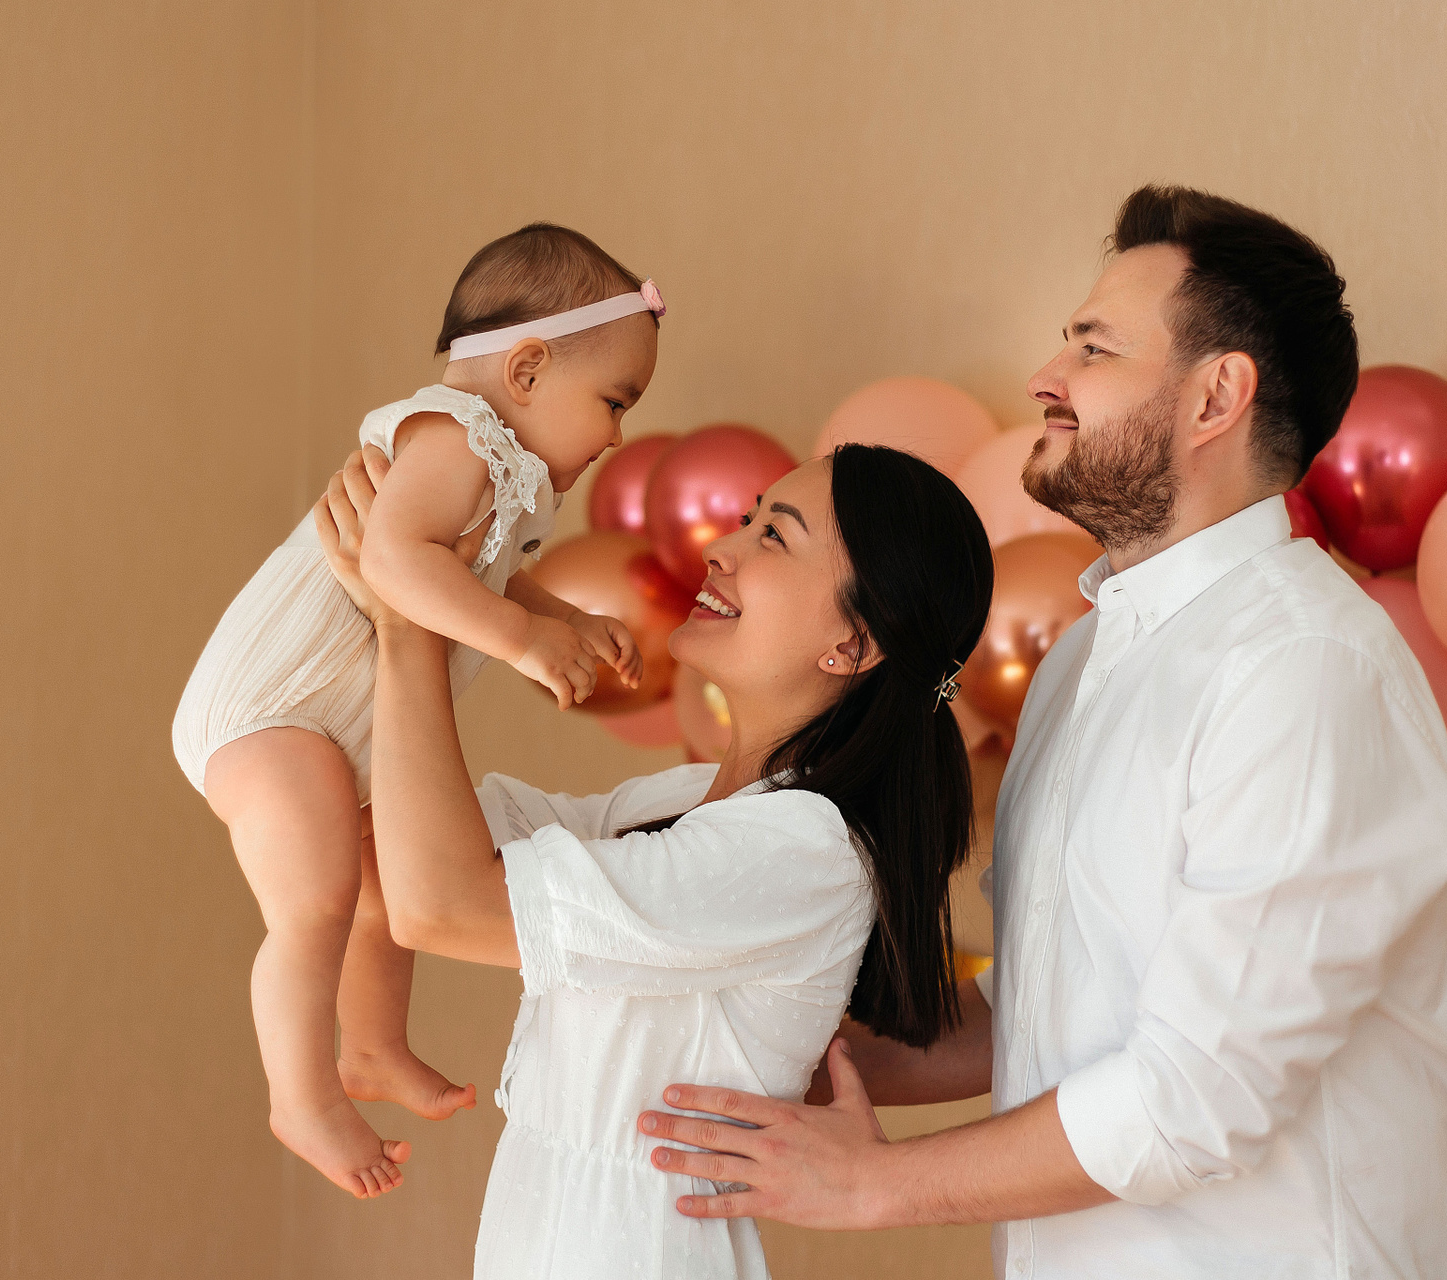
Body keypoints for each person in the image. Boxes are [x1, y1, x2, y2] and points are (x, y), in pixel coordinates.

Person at [637, 186, 1447, 1280]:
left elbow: (1198, 1094)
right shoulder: (1083, 662)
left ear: (1217, 395)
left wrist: (866, 1183)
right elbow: (1042, 1007)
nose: (1047, 376)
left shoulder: (1306, 667)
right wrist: (786, 1043)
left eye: (1093, 348)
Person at [315, 441, 994, 1277]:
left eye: (773, 536)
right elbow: (395, 845)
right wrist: (420, 568)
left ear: (852, 644)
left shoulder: (799, 850)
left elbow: (443, 904)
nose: (721, 547)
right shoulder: (684, 805)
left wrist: (408, 618)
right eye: (746, 518)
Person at [170, 223, 659, 1197]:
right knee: (314, 903)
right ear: (526, 369)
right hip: (275, 709)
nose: (616, 436)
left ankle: (372, 1048)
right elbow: (394, 560)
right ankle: (300, 1095)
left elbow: (478, 573)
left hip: (327, 726)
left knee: (380, 889)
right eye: (614, 401)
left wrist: (566, 619)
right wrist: (522, 641)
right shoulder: (455, 434)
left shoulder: (497, 474)